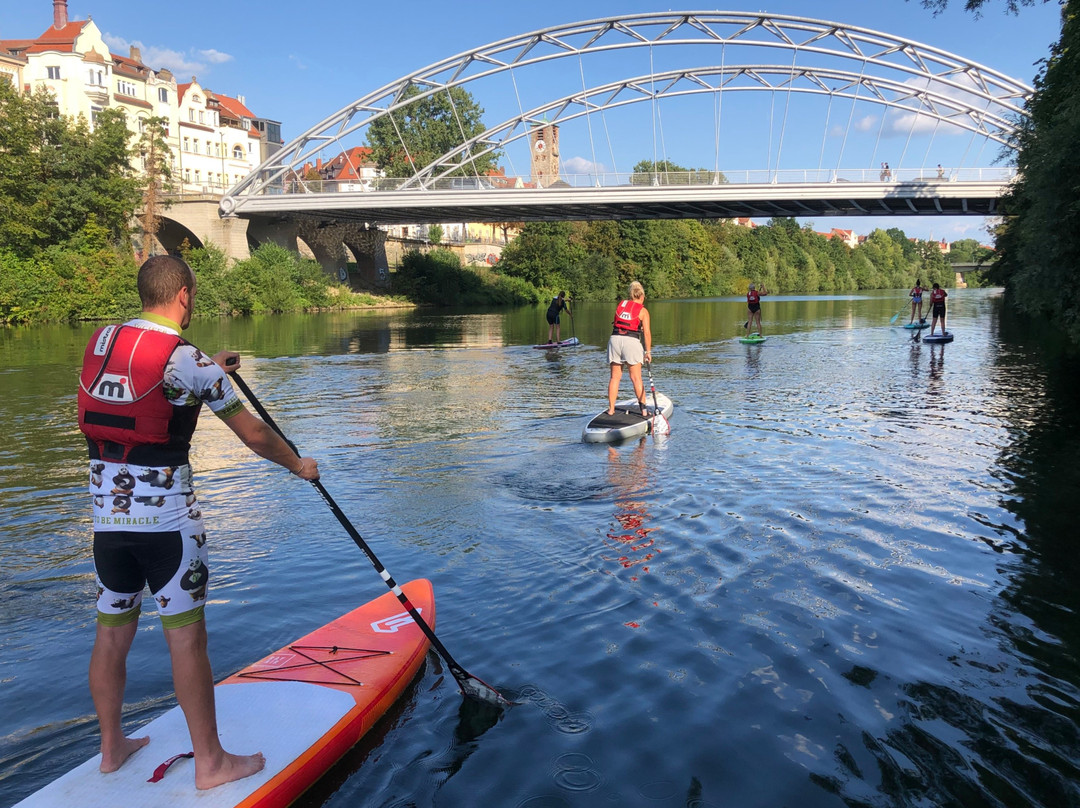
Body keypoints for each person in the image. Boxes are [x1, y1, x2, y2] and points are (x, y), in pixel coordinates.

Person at [77, 255, 320, 790]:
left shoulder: (102, 342)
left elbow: (149, 384)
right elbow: (254, 436)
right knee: (187, 641)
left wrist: (211, 366)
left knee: (111, 633)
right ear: (184, 294)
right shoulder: (189, 360)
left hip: (107, 527)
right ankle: (211, 764)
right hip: (168, 529)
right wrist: (298, 465)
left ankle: (112, 746)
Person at [606, 281, 652, 416]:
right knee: (636, 378)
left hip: (614, 340)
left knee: (614, 378)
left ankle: (611, 409)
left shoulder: (621, 305)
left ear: (630, 295)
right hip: (631, 342)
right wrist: (648, 352)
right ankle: (644, 411)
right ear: (642, 296)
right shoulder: (643, 311)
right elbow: (647, 333)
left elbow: (621, 323)